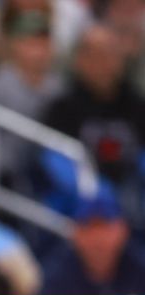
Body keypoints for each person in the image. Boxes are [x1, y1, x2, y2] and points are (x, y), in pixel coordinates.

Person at [43, 23, 145, 191]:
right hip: (82, 201)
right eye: (95, 54)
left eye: (110, 53)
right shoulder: (62, 108)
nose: (103, 63)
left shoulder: (136, 105)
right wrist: (96, 193)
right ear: (79, 60)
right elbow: (56, 164)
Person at [0, 8, 61, 183]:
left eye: (43, 42)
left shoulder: (58, 86)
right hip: (5, 174)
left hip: (46, 172)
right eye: (31, 42)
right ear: (15, 44)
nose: (38, 50)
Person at [41, 187, 145, 295]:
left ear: (123, 230)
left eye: (105, 227)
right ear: (76, 233)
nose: (97, 238)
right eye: (88, 227)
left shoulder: (139, 268)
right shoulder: (58, 277)